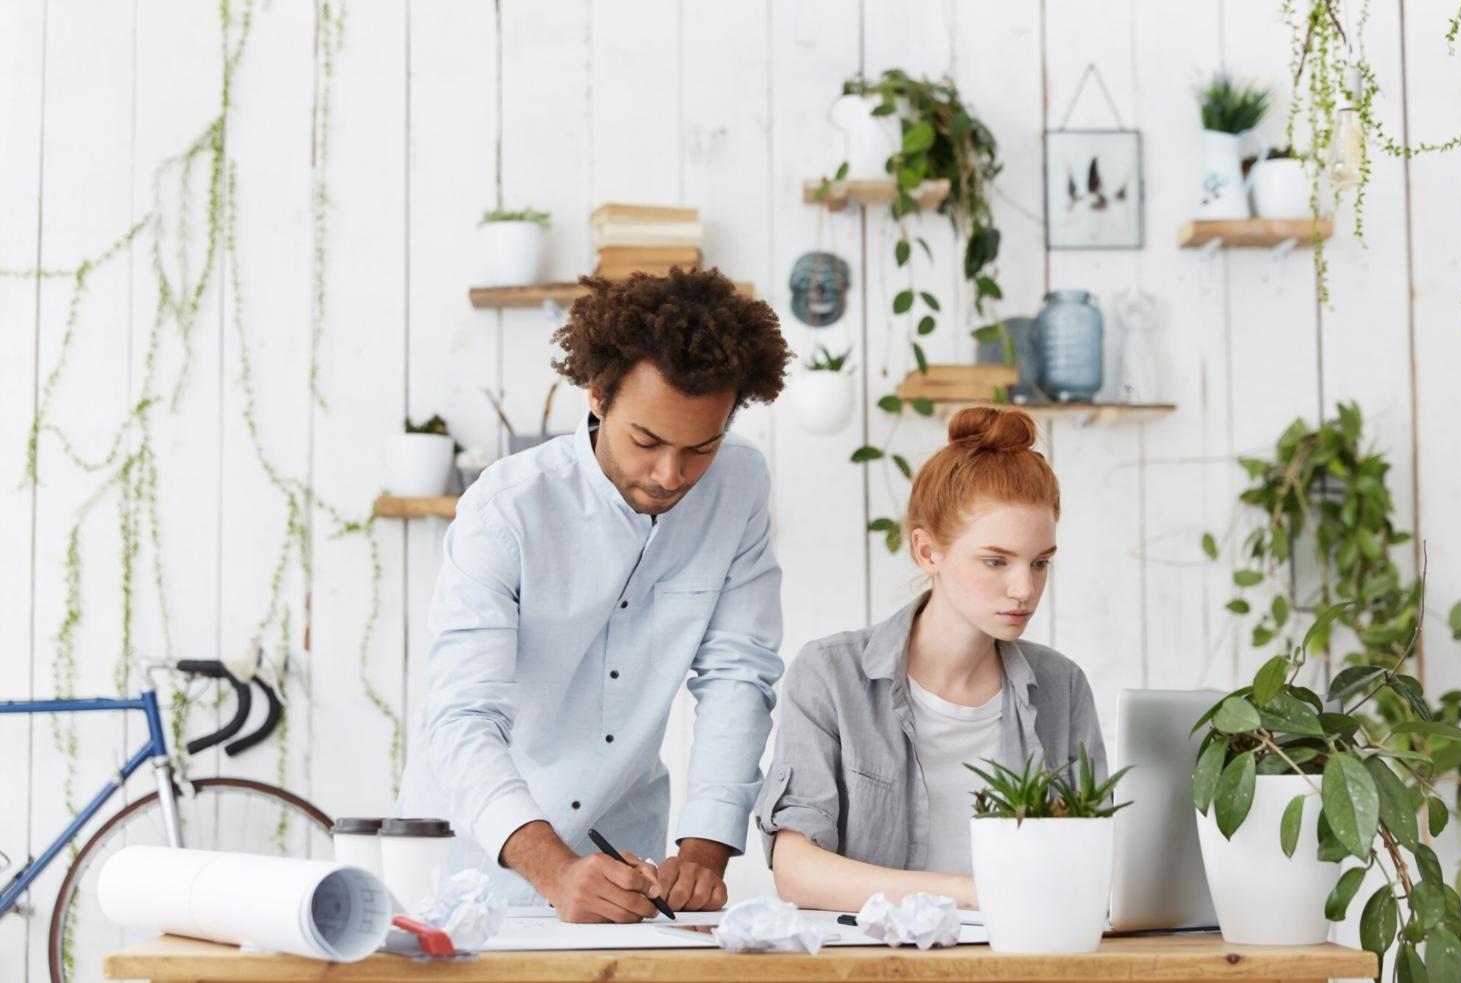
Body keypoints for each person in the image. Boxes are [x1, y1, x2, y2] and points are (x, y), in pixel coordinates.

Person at [397, 268, 793, 922]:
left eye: (700, 447)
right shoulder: (505, 510)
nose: (671, 474)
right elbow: (462, 716)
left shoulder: (741, 485)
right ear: (597, 395)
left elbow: (737, 673)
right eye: (647, 440)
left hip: (627, 861)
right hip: (473, 865)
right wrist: (552, 868)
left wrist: (704, 852)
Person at [757, 406, 1107, 912]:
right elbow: (796, 870)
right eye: (995, 560)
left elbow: (1096, 850)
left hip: (1028, 953)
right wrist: (969, 893)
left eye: (1039, 563)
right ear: (927, 552)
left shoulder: (1061, 685)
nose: (1024, 588)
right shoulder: (831, 676)